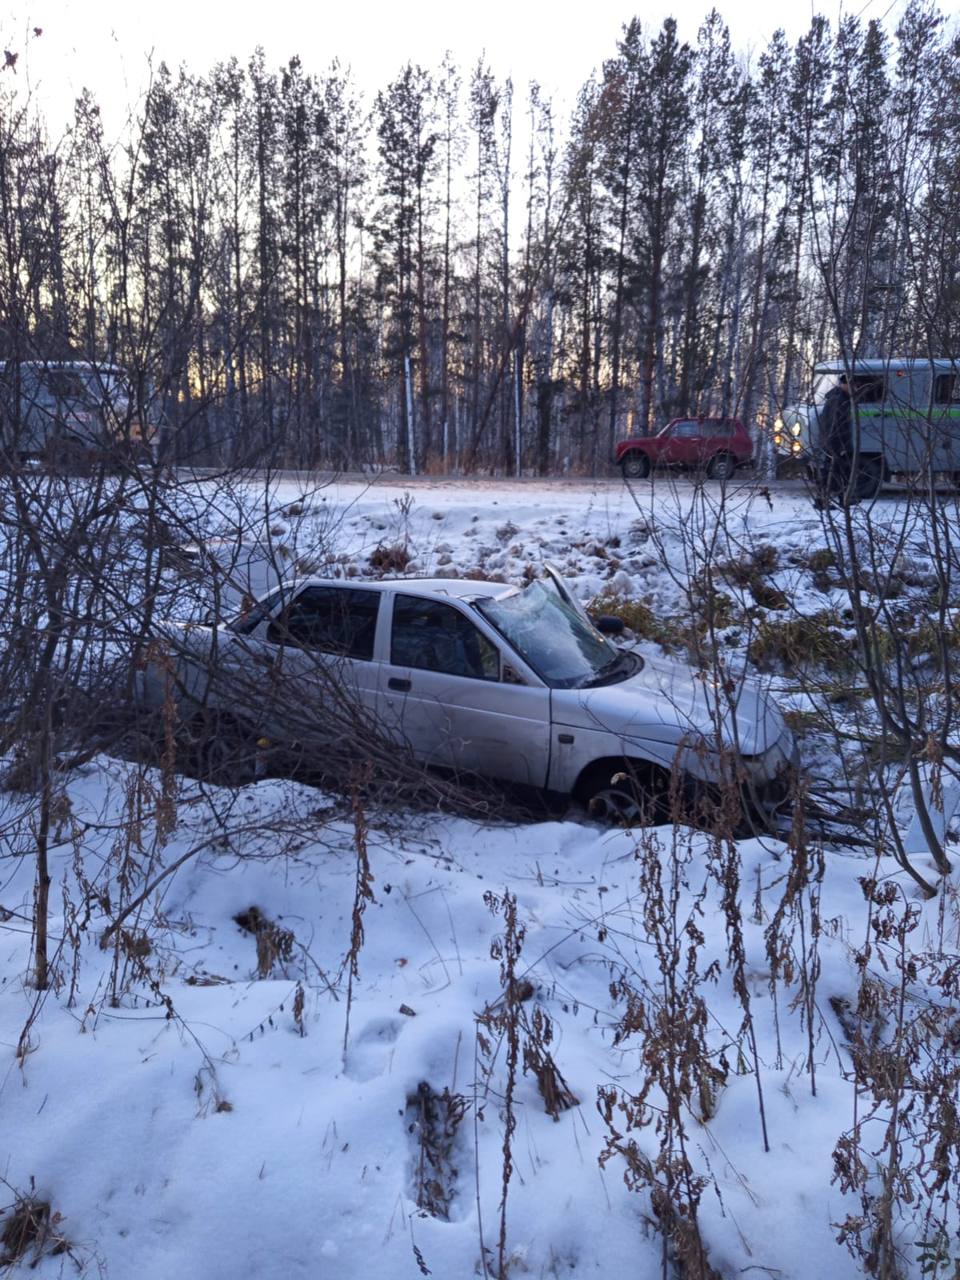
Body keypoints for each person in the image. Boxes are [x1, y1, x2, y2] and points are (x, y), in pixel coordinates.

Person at [814, 375, 854, 508]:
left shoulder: (839, 398)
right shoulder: (839, 400)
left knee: (838, 472)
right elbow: (836, 424)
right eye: (851, 385)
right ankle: (824, 501)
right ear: (844, 385)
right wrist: (840, 444)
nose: (854, 388)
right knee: (833, 472)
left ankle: (841, 499)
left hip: (833, 441)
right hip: (835, 442)